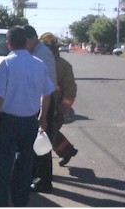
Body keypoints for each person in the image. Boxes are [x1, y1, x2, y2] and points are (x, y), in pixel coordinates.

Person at [0, 26, 55, 207]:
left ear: (8, 44)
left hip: (8, 121)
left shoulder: (5, 64)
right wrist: (42, 116)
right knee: (25, 167)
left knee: (3, 167)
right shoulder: (38, 64)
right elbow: (47, 92)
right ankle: (20, 203)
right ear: (26, 42)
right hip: (30, 122)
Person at [24, 25, 58, 193]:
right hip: (41, 103)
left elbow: (47, 87)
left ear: (32, 39)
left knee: (42, 145)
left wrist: (43, 115)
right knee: (36, 144)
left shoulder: (40, 54)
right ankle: (36, 178)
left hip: (45, 103)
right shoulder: (36, 52)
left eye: (25, 42)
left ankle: (44, 181)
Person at [39, 33, 80, 167]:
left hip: (55, 107)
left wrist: (63, 108)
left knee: (47, 135)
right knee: (49, 133)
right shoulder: (38, 62)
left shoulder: (63, 66)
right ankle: (67, 151)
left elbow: (70, 89)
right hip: (39, 106)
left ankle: (41, 170)